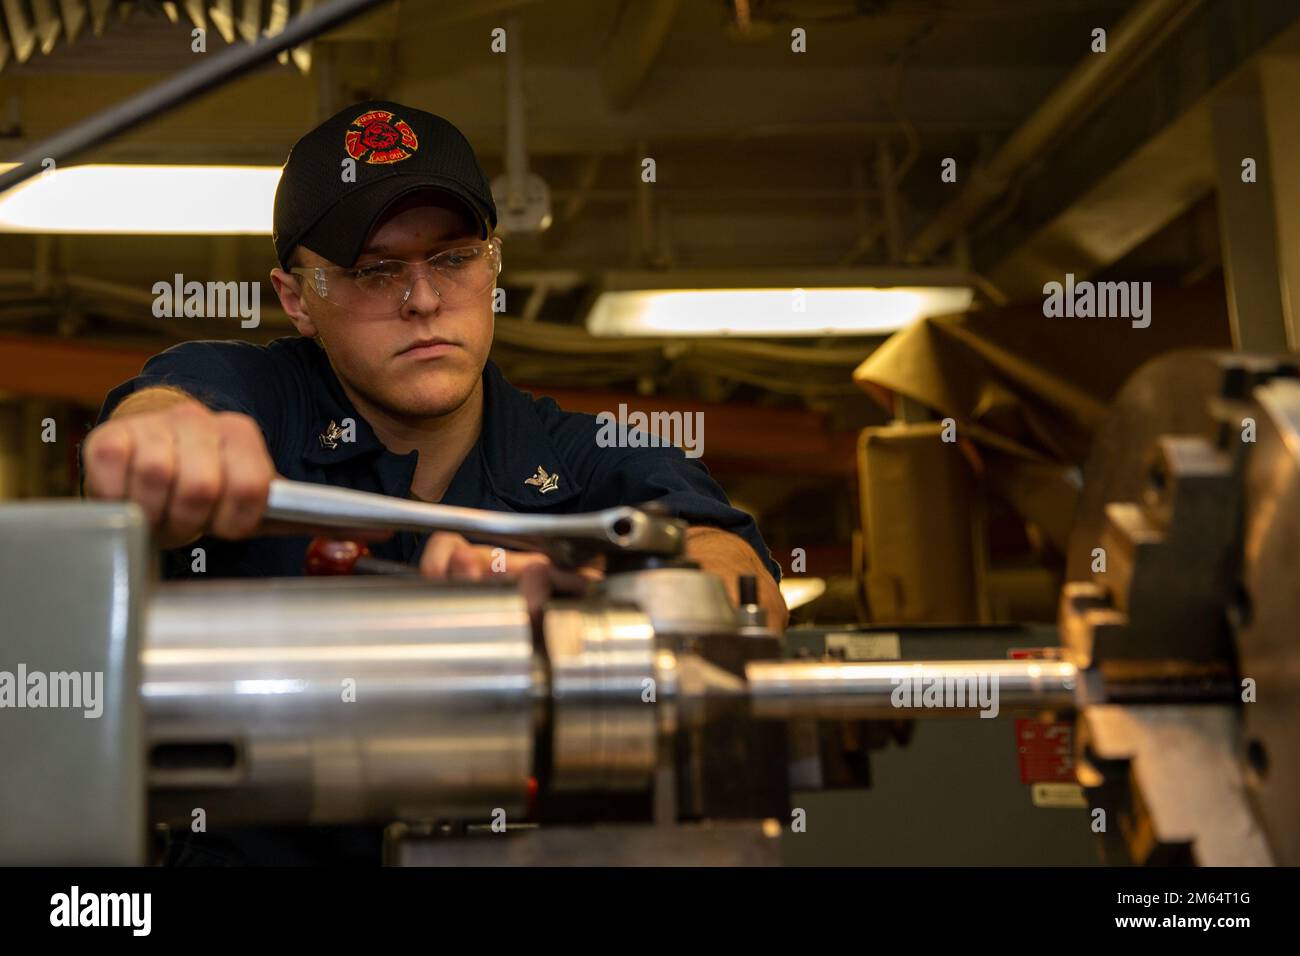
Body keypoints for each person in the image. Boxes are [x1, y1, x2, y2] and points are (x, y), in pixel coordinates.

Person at [79, 102, 785, 864]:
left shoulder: (590, 456)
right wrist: (159, 446)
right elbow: (162, 416)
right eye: (373, 271)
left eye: (452, 259)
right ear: (296, 299)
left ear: (494, 264)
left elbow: (739, 583)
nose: (421, 300)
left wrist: (599, 607)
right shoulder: (255, 399)